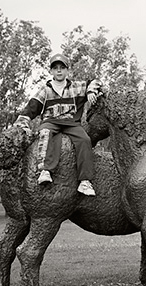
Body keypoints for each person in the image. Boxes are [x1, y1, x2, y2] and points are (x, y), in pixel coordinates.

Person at [13, 53, 101, 196]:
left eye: (62, 68)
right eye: (56, 68)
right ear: (51, 71)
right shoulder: (45, 90)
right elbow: (31, 107)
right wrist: (21, 123)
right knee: (45, 133)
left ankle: (84, 181)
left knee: (84, 140)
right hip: (51, 121)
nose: (59, 71)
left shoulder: (77, 87)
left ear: (67, 70)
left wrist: (91, 90)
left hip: (71, 122)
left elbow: (96, 81)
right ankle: (45, 171)